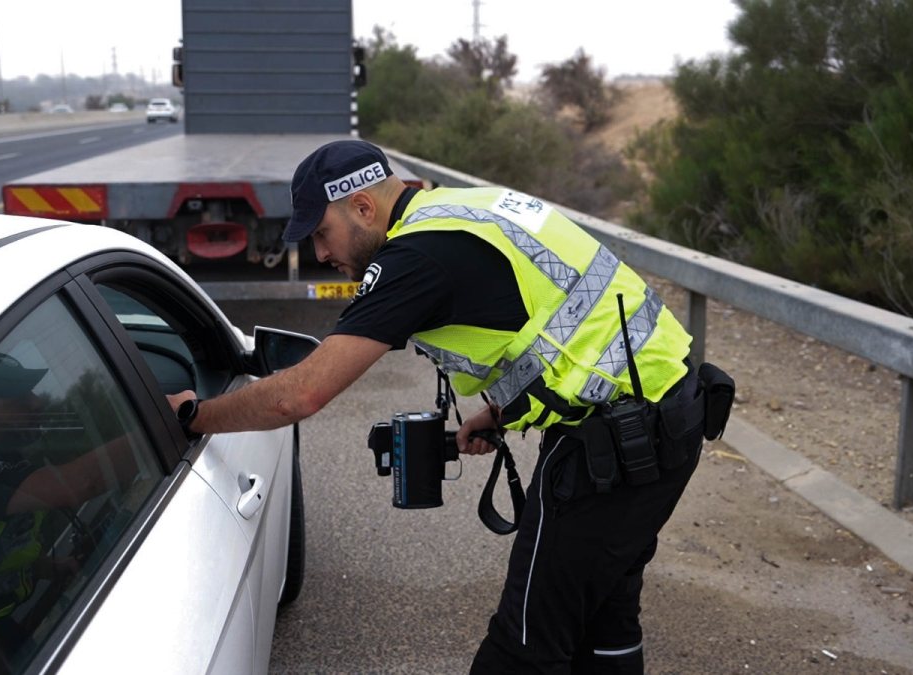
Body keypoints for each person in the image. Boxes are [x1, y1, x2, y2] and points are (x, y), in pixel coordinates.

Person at [167, 140, 727, 673]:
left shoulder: (413, 256)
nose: (320, 254)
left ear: (362, 206)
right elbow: (562, 322)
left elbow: (300, 392)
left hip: (614, 446)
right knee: (605, 614)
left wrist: (195, 414)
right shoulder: (457, 207)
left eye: (322, 233)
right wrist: (503, 412)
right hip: (666, 415)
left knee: (525, 644)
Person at [0, 352, 140, 653]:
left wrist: (44, 567)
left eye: (30, 392)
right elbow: (79, 485)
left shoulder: (2, 458)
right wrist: (166, 418)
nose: (37, 402)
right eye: (17, 399)